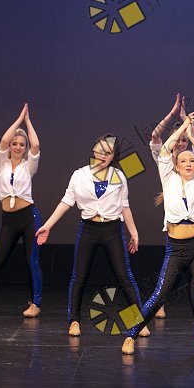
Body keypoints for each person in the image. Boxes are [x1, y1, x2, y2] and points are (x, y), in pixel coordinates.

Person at [35, 133, 148, 338]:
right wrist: (47, 226)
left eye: (108, 152)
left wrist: (134, 232)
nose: (103, 155)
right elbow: (66, 201)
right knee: (79, 276)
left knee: (124, 276)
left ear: (113, 156)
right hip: (88, 229)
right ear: (94, 151)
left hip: (113, 230)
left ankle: (138, 322)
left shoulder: (119, 176)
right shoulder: (79, 175)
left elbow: (125, 206)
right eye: (101, 150)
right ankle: (74, 321)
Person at [122, 113, 194, 355]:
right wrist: (183, 128)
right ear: (176, 165)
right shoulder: (168, 178)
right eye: (183, 161)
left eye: (191, 161)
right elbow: (164, 149)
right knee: (159, 293)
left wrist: (192, 137)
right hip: (175, 247)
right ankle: (131, 334)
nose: (188, 164)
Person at [148, 93, 194, 320]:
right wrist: (173, 114)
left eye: (184, 140)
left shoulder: (193, 159)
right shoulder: (166, 161)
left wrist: (187, 121)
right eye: (178, 140)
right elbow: (155, 136)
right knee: (171, 267)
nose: (181, 143)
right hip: (175, 213)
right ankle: (161, 302)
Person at [0, 103, 43, 318]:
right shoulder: (0, 164)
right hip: (9, 220)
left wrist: (28, 122)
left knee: (31, 261)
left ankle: (36, 304)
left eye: (21, 144)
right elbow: (3, 141)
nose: (17, 147)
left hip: (29, 217)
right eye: (15, 144)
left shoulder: (28, 166)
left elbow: (36, 144)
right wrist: (19, 120)